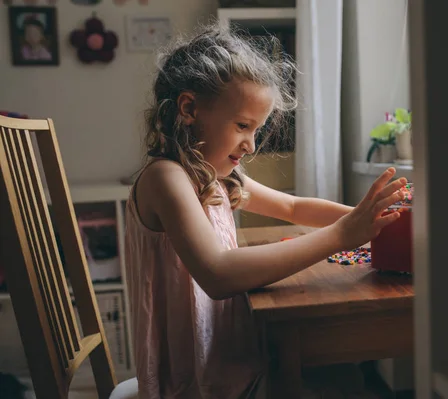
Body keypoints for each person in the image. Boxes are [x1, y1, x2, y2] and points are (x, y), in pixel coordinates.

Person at [124, 22, 406, 399]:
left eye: (256, 129)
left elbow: (292, 206)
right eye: (243, 126)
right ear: (189, 108)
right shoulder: (166, 178)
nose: (250, 145)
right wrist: (342, 235)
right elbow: (217, 273)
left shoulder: (218, 177)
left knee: (345, 377)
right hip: (195, 382)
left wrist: (378, 217)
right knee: (343, 382)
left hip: (230, 362)